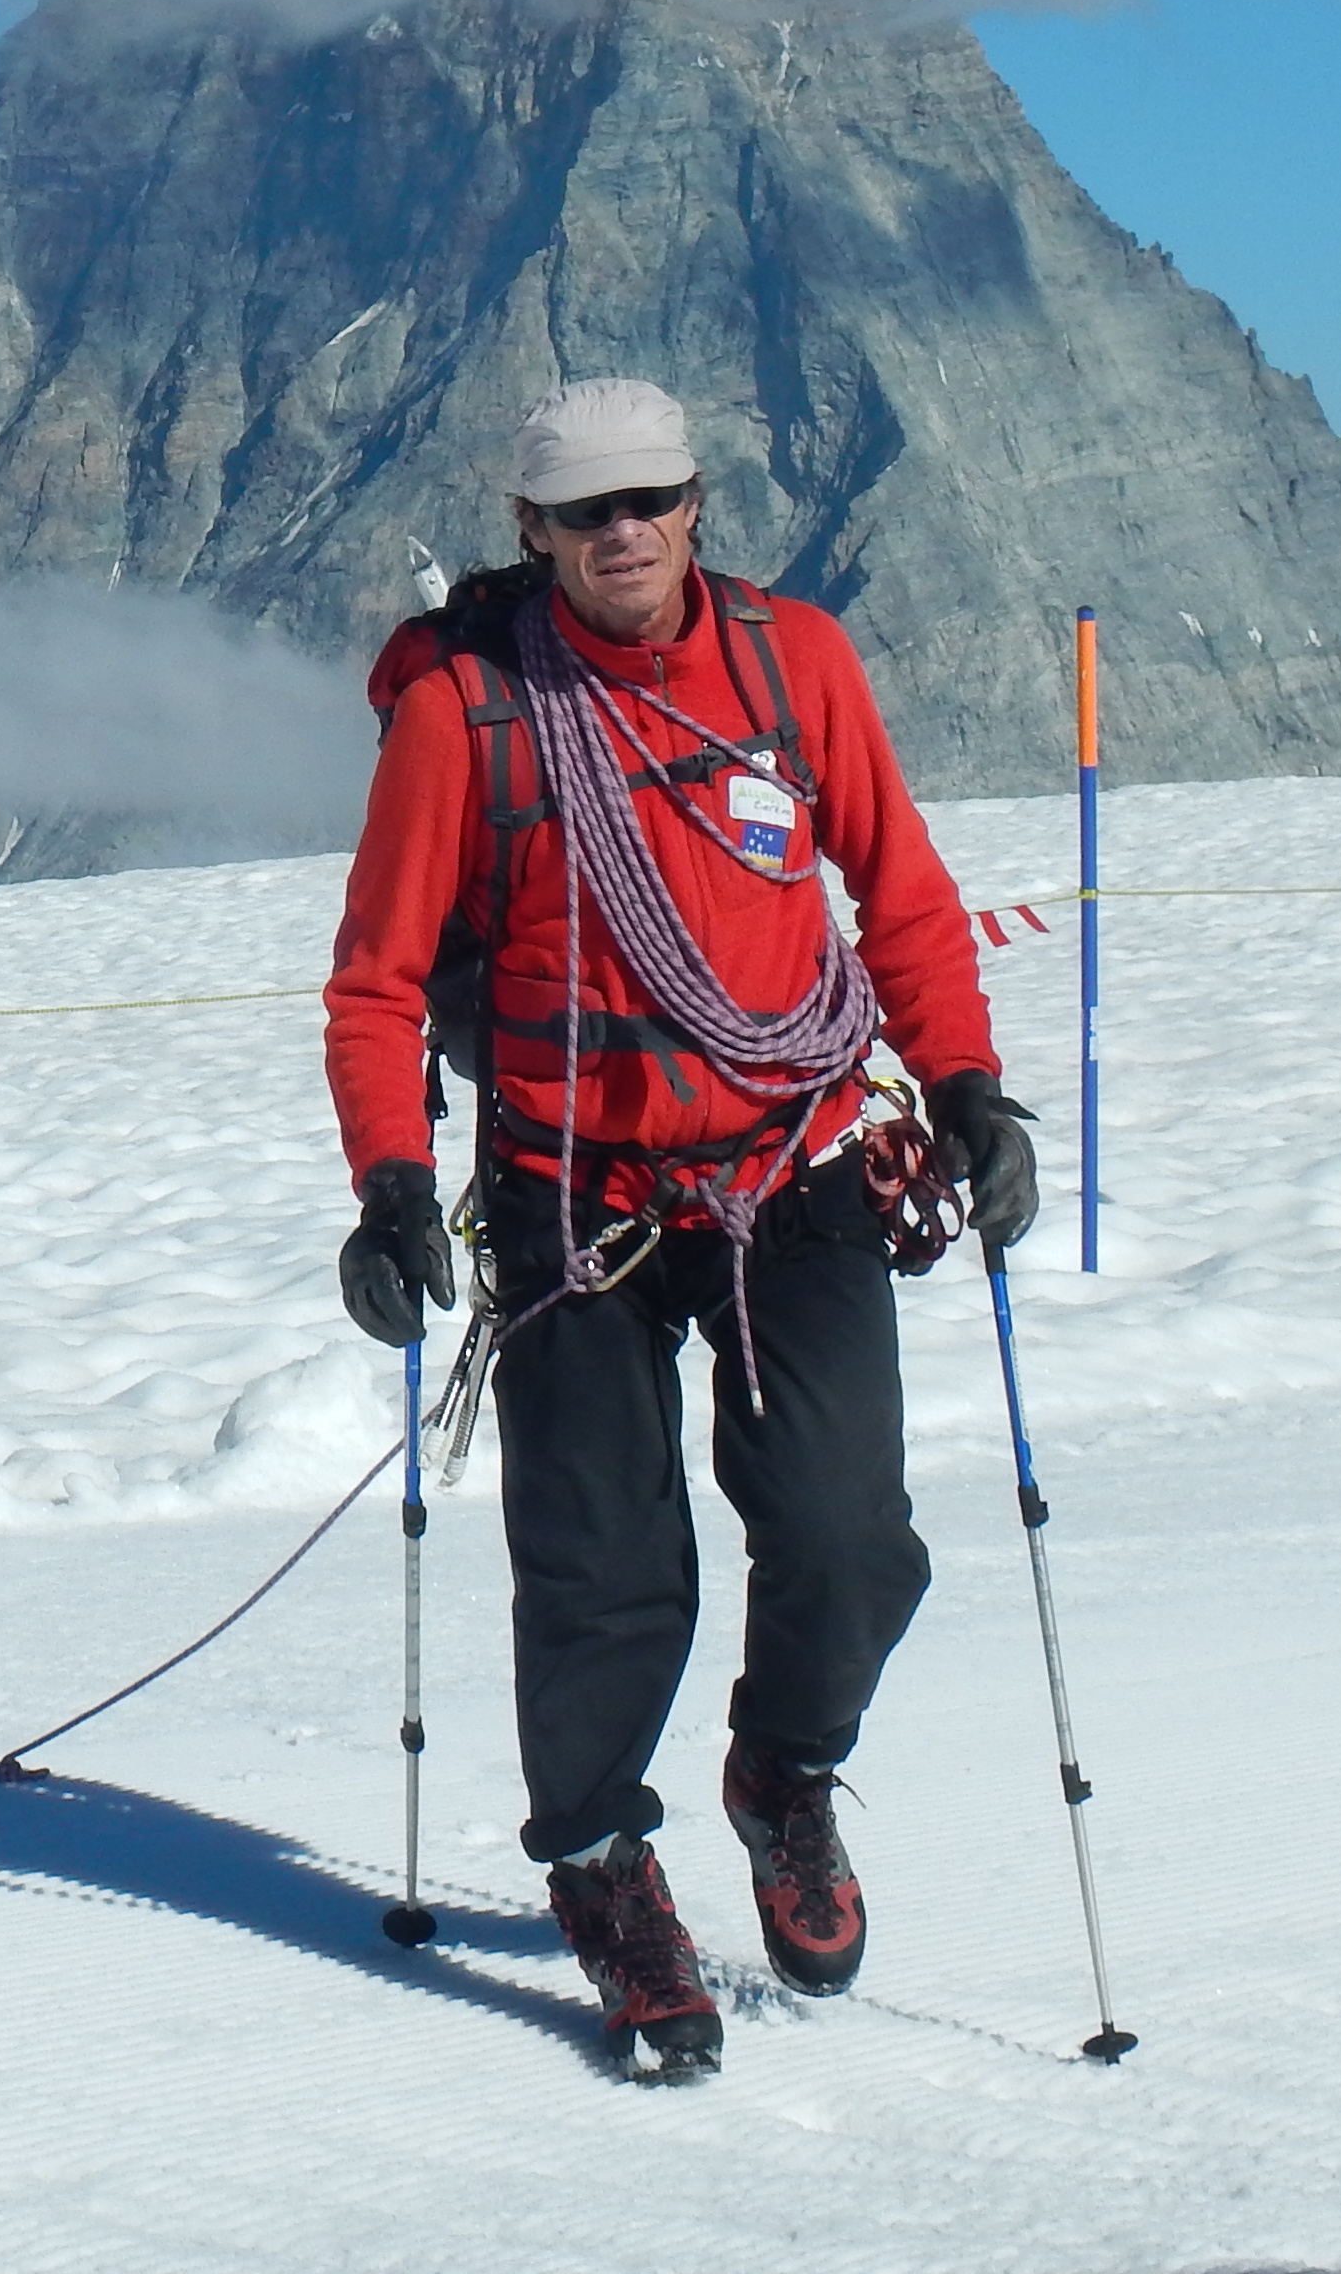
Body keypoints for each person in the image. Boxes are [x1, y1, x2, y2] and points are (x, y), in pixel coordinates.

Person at [321, 378, 1038, 2075]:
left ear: (698, 502)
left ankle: (782, 1770)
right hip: (572, 1188)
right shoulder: (470, 714)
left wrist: (966, 1083)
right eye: (586, 511)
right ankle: (597, 1861)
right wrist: (389, 1180)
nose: (622, 530)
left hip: (792, 1162)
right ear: (533, 532)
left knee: (847, 1532)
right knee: (602, 1567)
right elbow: (376, 977)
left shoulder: (796, 668)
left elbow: (901, 894)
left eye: (648, 498)